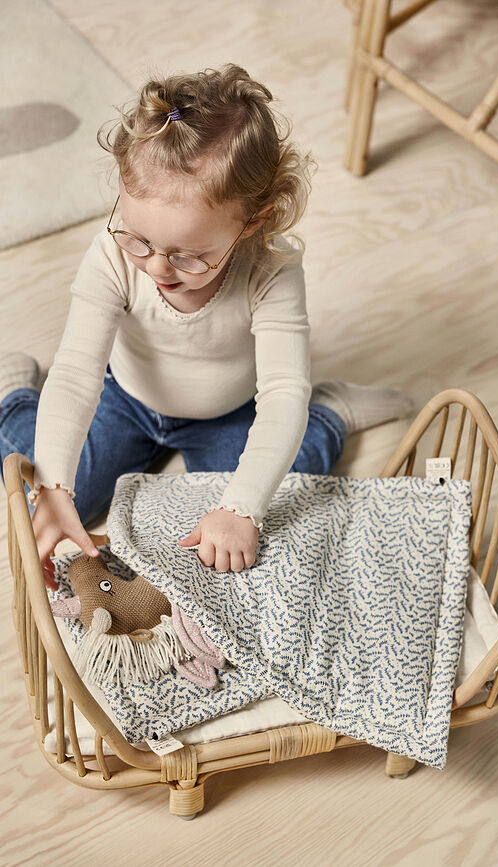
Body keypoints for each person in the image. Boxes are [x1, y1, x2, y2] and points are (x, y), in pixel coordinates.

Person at [0, 65, 412, 587]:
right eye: (138, 238)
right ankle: (13, 397)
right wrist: (55, 489)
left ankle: (329, 415)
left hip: (227, 414)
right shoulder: (112, 256)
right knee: (47, 487)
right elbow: (77, 373)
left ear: (253, 224)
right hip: (126, 399)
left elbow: (282, 394)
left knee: (264, 508)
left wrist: (241, 509)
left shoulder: (272, 270)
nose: (156, 266)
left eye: (188, 255)